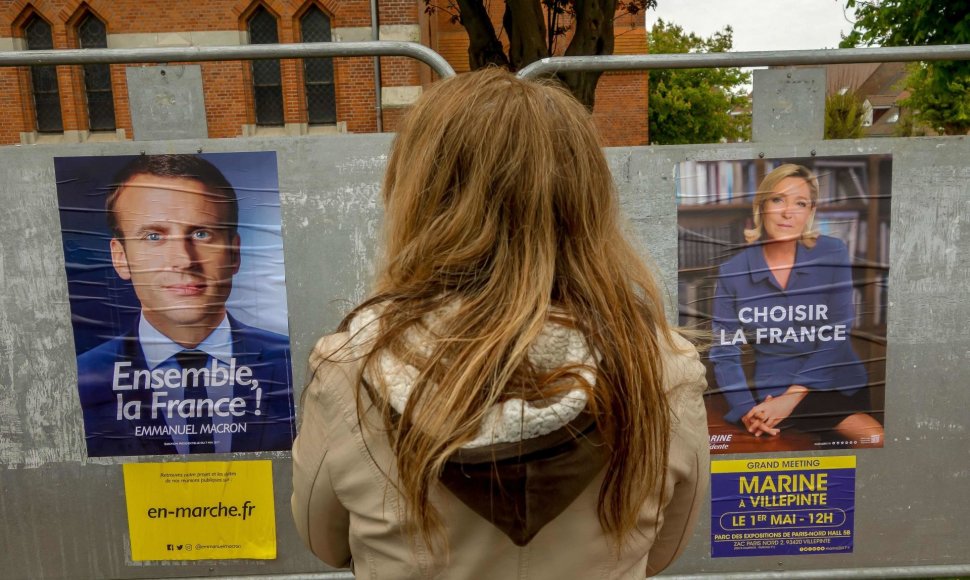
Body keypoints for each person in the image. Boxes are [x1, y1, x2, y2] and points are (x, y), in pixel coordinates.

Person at [291, 69, 709, 579]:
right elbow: (664, 549)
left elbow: (324, 541)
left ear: (418, 198)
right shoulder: (661, 367)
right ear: (587, 203)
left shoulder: (351, 369)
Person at [76, 154, 294, 457]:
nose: (184, 260)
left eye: (201, 234)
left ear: (234, 253)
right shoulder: (80, 381)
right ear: (120, 258)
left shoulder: (295, 366)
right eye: (154, 236)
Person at [710, 163, 884, 444]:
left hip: (835, 383)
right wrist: (747, 411)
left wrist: (789, 400)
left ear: (810, 212)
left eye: (800, 203)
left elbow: (837, 334)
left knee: (874, 440)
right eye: (778, 200)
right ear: (761, 206)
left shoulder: (832, 252)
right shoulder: (733, 272)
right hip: (772, 392)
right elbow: (724, 352)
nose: (788, 212)